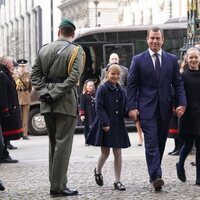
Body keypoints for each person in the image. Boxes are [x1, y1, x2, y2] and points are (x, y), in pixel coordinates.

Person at [127, 26, 187, 191]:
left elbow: (178, 84)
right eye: (152, 38)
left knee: (160, 143)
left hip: (165, 108)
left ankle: (154, 173)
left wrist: (181, 103)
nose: (154, 41)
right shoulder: (138, 60)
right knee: (152, 142)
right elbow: (131, 85)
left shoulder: (171, 59)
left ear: (162, 40)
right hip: (146, 109)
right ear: (147, 39)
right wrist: (131, 107)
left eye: (157, 38)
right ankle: (156, 176)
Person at [31, 18, 85, 197]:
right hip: (65, 103)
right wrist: (54, 93)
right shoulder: (76, 50)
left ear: (59, 32)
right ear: (73, 34)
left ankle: (56, 183)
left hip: (47, 104)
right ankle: (58, 186)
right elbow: (73, 78)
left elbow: (35, 76)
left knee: (53, 144)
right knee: (63, 145)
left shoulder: (44, 49)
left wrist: (45, 92)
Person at [86, 63, 131, 191]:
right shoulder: (102, 88)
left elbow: (124, 108)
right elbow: (99, 107)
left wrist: (131, 114)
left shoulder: (121, 90)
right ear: (107, 74)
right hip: (105, 125)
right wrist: (105, 123)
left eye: (117, 74)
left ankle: (117, 181)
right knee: (105, 153)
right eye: (113, 74)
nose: (115, 76)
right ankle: (98, 171)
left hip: (118, 125)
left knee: (118, 152)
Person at [176, 47, 200, 186]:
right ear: (187, 59)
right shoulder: (182, 76)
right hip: (187, 116)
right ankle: (180, 164)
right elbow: (178, 94)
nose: (193, 60)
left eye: (196, 57)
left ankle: (198, 177)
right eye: (191, 57)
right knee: (188, 144)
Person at [0, 56, 23, 164]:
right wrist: (4, 109)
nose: (13, 65)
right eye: (11, 63)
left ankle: (4, 153)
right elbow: (2, 94)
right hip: (5, 110)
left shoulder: (6, 74)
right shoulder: (2, 75)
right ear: (6, 64)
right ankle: (4, 155)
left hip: (9, 108)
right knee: (4, 133)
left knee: (5, 134)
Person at [14, 59, 32, 140]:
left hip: (26, 96)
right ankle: (19, 133)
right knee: (18, 117)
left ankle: (25, 134)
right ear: (18, 66)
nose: (22, 68)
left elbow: (30, 87)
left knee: (25, 117)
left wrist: (27, 93)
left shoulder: (28, 74)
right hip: (17, 96)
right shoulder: (14, 74)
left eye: (24, 66)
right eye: (21, 66)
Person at [79, 79, 96, 144]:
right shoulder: (83, 94)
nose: (91, 87)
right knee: (87, 128)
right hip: (87, 113)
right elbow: (82, 105)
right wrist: (82, 114)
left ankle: (94, 140)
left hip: (94, 113)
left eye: (92, 86)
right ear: (86, 86)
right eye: (89, 86)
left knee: (94, 127)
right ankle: (87, 141)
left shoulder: (95, 93)